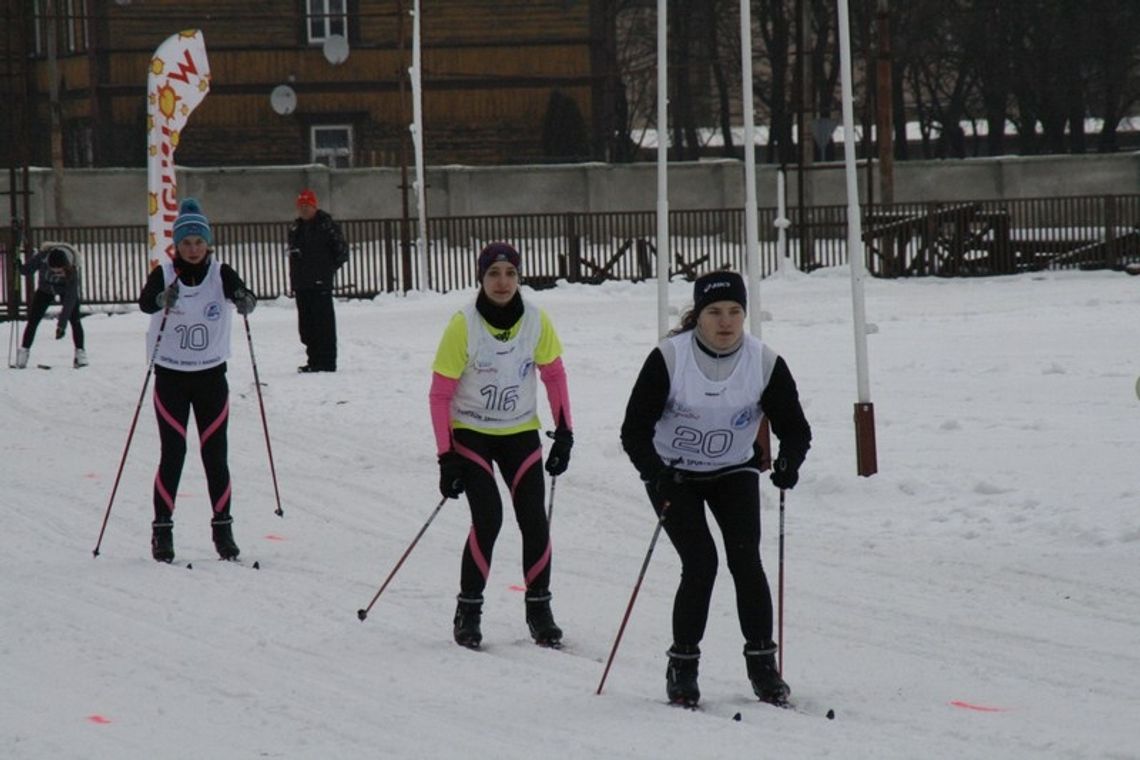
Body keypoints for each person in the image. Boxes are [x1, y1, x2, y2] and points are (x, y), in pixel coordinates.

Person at [619, 270, 811, 708]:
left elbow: (796, 429)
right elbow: (634, 430)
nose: (726, 322)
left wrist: (788, 462)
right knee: (700, 562)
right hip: (676, 474)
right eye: (715, 312)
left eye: (735, 312)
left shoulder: (764, 362)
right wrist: (655, 473)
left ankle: (763, 665)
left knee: (746, 559)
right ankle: (682, 667)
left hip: (733, 471)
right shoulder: (669, 358)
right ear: (698, 316)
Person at [428, 242, 575, 649]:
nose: (503, 282)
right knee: (488, 517)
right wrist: (446, 457)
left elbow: (554, 374)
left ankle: (539, 609)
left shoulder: (535, 320)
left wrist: (565, 433)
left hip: (519, 430)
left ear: (519, 277)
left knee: (534, 518)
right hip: (472, 432)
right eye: (494, 274)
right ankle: (469, 609)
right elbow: (440, 394)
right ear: (481, 278)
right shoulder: (464, 324)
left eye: (510, 273)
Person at [138, 198, 257, 563]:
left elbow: (245, 295)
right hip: (171, 377)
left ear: (208, 244)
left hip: (210, 377)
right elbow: (145, 303)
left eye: (199, 243)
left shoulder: (221, 272)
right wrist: (162, 298)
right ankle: (162, 530)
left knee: (215, 455)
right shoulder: (165, 273)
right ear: (177, 245)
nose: (193, 249)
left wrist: (244, 299)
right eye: (186, 243)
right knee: (173, 453)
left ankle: (223, 529)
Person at [288, 188, 348, 372]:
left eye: (308, 205)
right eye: (301, 206)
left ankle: (327, 361)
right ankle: (313, 360)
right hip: (302, 284)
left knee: (323, 324)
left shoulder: (326, 225)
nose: (304, 209)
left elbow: (342, 252)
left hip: (320, 283)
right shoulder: (296, 228)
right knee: (306, 326)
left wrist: (326, 270)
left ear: (315, 206)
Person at [14, 241, 86, 369]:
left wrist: (61, 326)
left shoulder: (73, 268)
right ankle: (24, 352)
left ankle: (80, 353)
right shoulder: (42, 257)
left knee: (75, 319)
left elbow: (70, 300)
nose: (57, 274)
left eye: (59, 272)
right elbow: (28, 270)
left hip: (65, 290)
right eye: (53, 271)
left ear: (66, 267)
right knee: (33, 320)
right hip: (45, 289)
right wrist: (19, 267)